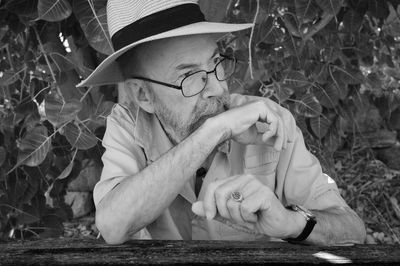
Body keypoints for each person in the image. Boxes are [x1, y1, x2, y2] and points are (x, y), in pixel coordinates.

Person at [78, 0, 366, 245]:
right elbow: (112, 225)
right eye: (189, 77)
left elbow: (352, 229)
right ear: (144, 96)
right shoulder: (129, 126)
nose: (217, 88)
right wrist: (213, 131)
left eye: (216, 63)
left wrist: (291, 222)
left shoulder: (269, 121)